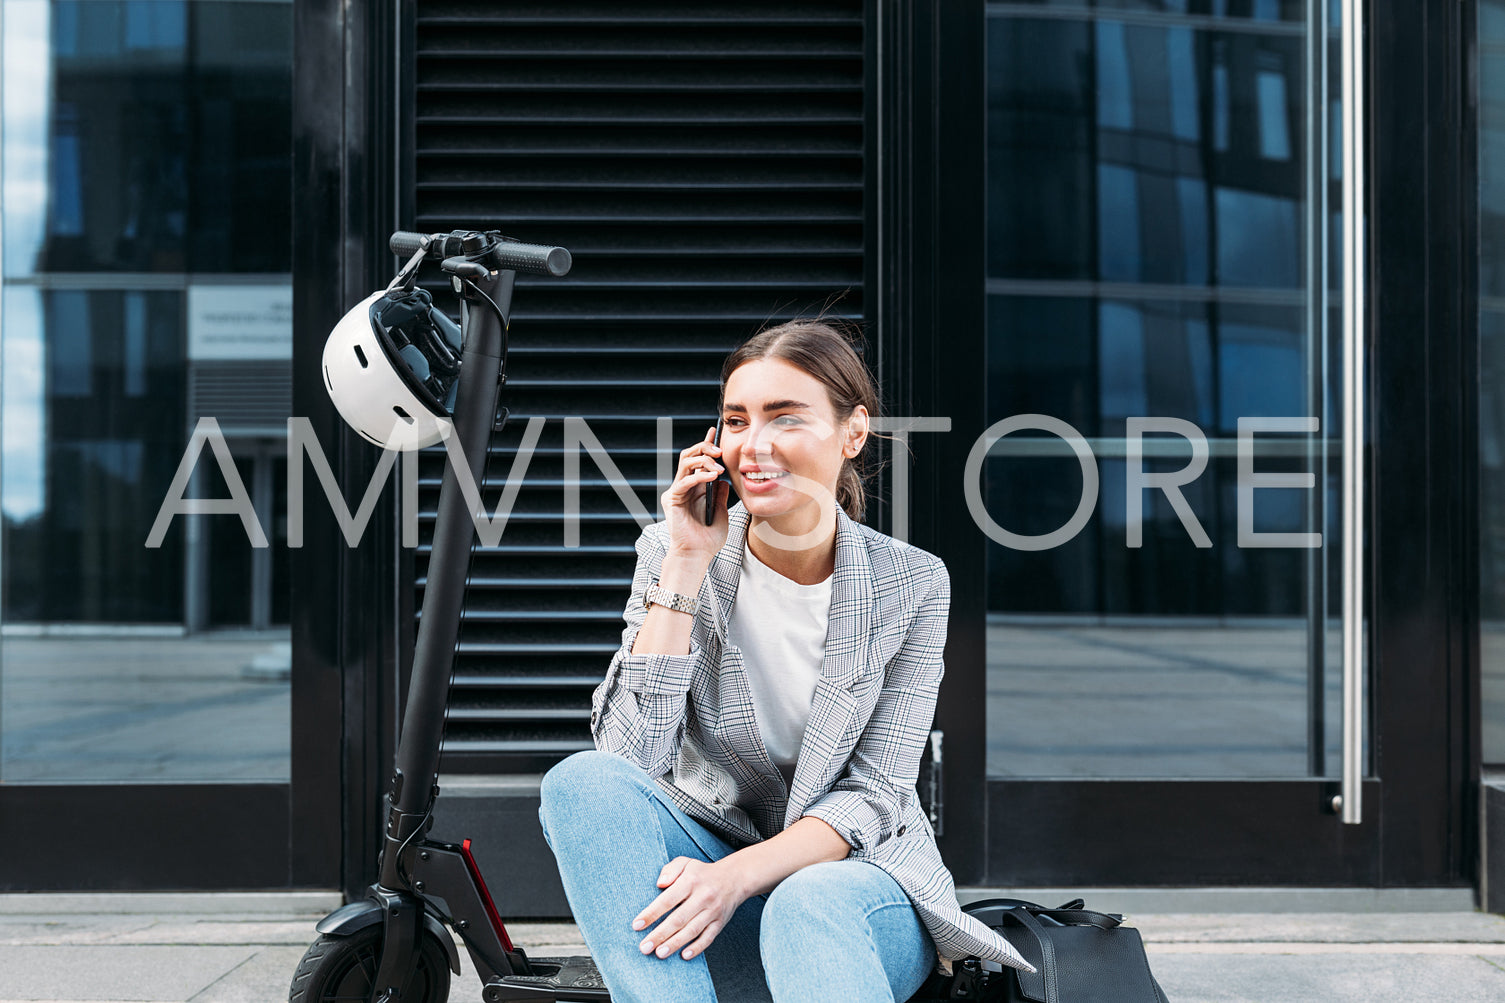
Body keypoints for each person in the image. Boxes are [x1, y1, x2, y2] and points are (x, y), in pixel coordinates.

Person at [538, 319, 1035, 1002]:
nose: (754, 445)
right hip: (711, 901)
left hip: (851, 889)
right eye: (736, 420)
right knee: (580, 782)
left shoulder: (912, 583)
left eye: (785, 418)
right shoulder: (671, 552)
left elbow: (872, 794)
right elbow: (629, 760)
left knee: (808, 898)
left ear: (851, 433)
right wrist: (685, 563)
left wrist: (738, 875)